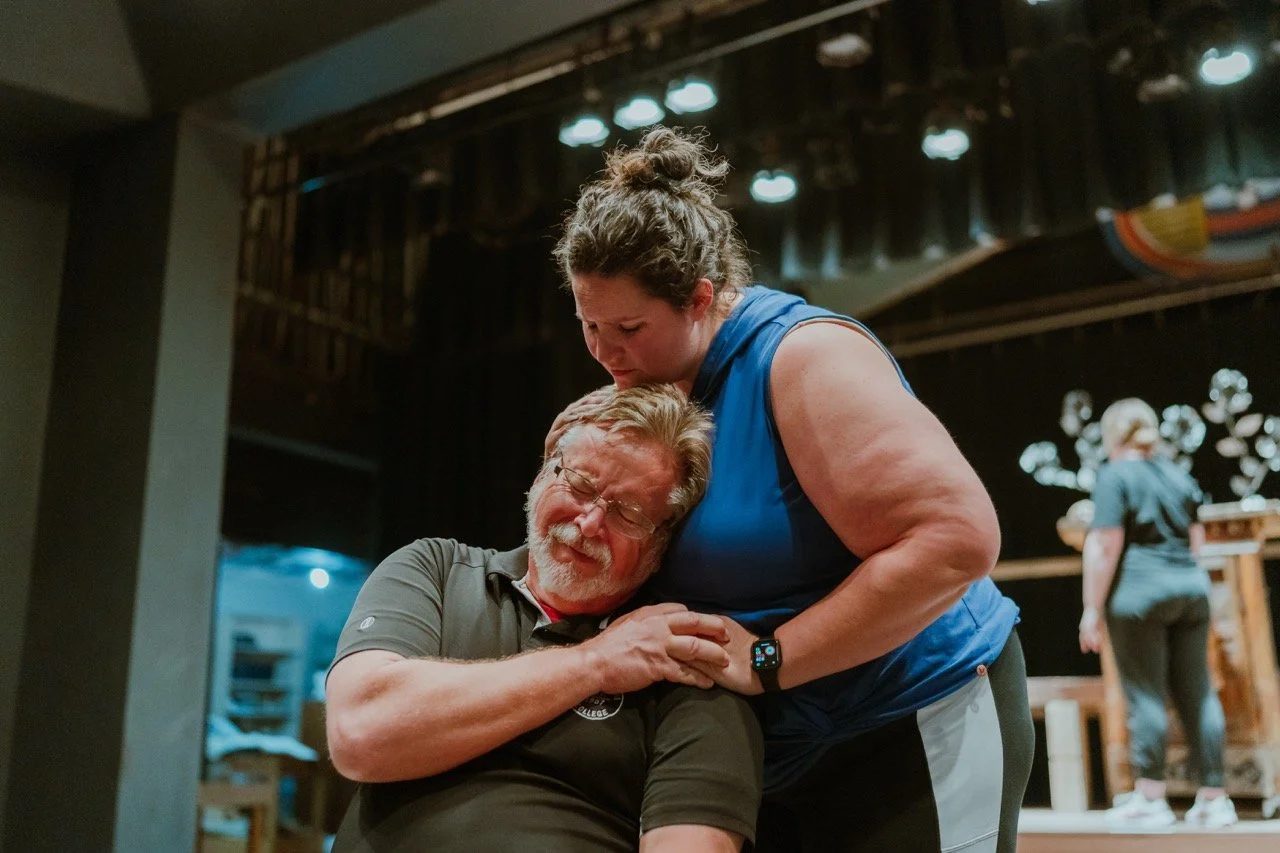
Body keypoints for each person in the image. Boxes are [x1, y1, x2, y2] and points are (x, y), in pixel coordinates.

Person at [549, 126, 1033, 853]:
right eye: (588, 324)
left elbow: (959, 542)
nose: (605, 350)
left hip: (912, 717)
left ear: (700, 298)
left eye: (627, 326)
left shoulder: (804, 358)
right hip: (779, 750)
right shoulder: (645, 389)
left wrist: (769, 658)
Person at [324, 383, 764, 852]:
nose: (588, 522)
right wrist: (594, 663)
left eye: (629, 514)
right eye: (579, 485)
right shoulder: (436, 570)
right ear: (541, 475)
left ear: (661, 546)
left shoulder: (684, 658)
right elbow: (361, 733)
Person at [1079, 398, 1235, 828]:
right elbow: (1197, 539)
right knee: (1198, 693)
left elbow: (1105, 544)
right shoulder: (1178, 474)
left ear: (1112, 436)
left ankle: (1151, 797)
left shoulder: (1113, 475)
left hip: (1138, 592)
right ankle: (1215, 798)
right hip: (1190, 589)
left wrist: (1091, 608)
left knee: (1144, 694)